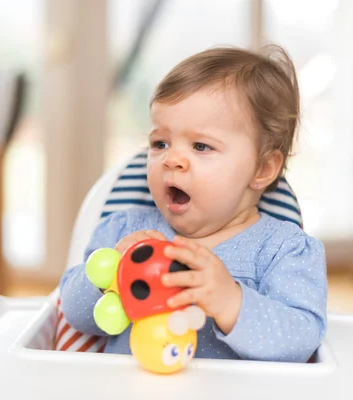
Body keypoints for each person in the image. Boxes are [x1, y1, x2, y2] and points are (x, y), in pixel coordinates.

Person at [59, 45, 327, 363]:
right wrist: (109, 275)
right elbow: (71, 314)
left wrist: (231, 303)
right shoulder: (122, 230)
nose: (172, 159)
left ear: (262, 169)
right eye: (160, 143)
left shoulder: (284, 249)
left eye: (201, 146)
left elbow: (302, 339)